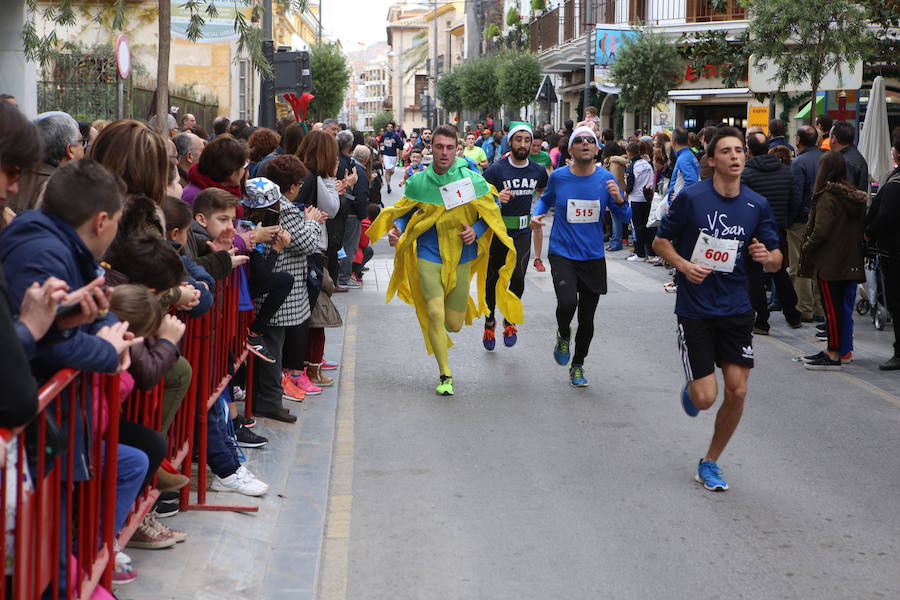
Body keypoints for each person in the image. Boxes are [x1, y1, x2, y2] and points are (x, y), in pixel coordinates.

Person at [652, 126, 783, 492]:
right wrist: (684, 266)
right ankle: (694, 388)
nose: (735, 156)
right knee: (705, 398)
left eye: (739, 150)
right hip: (695, 308)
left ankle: (710, 462)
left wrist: (767, 257)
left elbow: (776, 258)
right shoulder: (692, 198)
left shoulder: (756, 204)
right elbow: (661, 242)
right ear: (711, 160)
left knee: (738, 391)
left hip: (737, 307)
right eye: (726, 151)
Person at [367, 124, 523, 396]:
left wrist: (475, 231)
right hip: (428, 254)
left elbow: (492, 210)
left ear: (457, 150)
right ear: (432, 148)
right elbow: (406, 211)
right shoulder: (418, 182)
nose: (444, 152)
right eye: (439, 146)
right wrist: (398, 229)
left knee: (453, 323)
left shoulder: (470, 180)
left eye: (450, 148)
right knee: (435, 314)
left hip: (463, 256)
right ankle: (445, 373)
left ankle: (460, 315)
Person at [531, 126, 631, 387]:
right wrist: (538, 213)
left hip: (592, 256)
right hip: (562, 252)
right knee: (567, 304)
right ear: (571, 149)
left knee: (587, 318)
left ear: (597, 149)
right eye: (580, 140)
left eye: (590, 141)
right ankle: (563, 334)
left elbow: (625, 219)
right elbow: (545, 200)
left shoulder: (606, 179)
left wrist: (619, 201)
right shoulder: (560, 177)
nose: (585, 143)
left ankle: (578, 364)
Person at [481, 122, 548, 350]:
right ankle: (490, 321)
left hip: (522, 232)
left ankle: (509, 319)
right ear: (510, 142)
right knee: (493, 278)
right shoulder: (496, 170)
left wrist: (538, 212)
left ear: (531, 143)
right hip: (498, 232)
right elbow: (481, 200)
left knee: (518, 276)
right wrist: (497, 199)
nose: (522, 144)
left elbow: (544, 194)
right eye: (518, 139)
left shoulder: (537, 171)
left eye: (526, 140)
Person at [798, 151, 867, 370]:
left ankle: (833, 353)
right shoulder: (851, 195)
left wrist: (807, 248)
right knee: (837, 309)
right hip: (847, 259)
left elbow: (821, 230)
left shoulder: (827, 196)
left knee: (831, 309)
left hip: (829, 261)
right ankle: (834, 349)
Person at [740, 132, 803, 332]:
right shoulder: (786, 172)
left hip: (753, 232)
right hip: (778, 229)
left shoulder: (746, 174)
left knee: (754, 276)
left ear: (748, 151)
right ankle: (792, 313)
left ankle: (761, 320)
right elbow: (795, 201)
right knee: (779, 271)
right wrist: (785, 221)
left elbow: (742, 205)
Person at [865, 136, 900, 370]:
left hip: (895, 252)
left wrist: (869, 233)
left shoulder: (895, 183)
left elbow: (885, 216)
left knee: (897, 302)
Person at [9, 111, 84, 213]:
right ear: (70, 150)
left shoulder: (13, 178)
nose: (83, 148)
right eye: (82, 142)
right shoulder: (66, 190)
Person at [789, 125, 824, 322]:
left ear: (799, 141)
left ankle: (804, 307)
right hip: (822, 220)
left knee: (800, 264)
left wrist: (790, 220)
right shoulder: (825, 159)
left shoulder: (799, 163)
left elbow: (796, 195)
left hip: (802, 220)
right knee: (818, 263)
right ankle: (820, 308)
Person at [625, 141, 655, 261]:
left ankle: (640, 253)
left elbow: (630, 185)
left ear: (629, 153)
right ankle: (650, 252)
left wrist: (625, 195)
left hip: (636, 199)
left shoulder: (632, 167)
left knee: (637, 227)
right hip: (647, 198)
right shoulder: (647, 164)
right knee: (647, 226)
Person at [830, 121, 869, 192]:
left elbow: (845, 192)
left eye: (830, 137)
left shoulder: (844, 161)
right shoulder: (856, 156)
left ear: (833, 139)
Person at [668, 127, 699, 205]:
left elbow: (692, 180)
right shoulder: (690, 155)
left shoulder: (683, 158)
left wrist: (679, 196)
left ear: (673, 141)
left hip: (681, 205)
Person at [379, 121, 402, 193]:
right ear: (386, 127)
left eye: (391, 127)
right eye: (388, 127)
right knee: (387, 170)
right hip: (386, 155)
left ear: (393, 128)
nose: (390, 128)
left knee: (391, 171)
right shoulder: (384, 135)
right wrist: (382, 144)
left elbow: (401, 145)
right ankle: (388, 185)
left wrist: (395, 142)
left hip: (393, 155)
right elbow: (380, 144)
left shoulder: (395, 136)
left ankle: (388, 179)